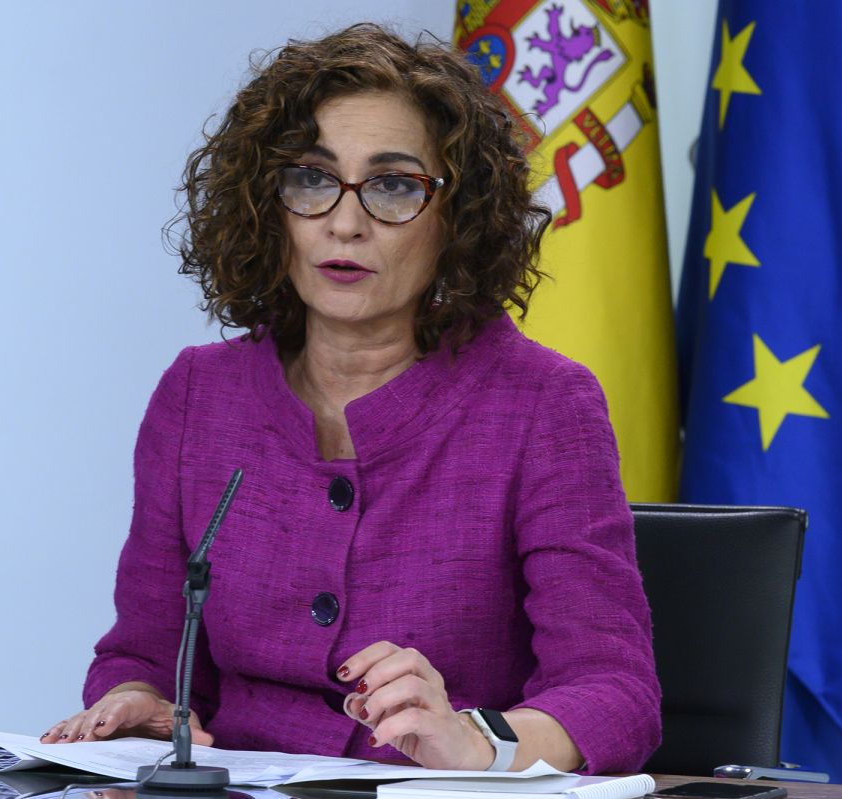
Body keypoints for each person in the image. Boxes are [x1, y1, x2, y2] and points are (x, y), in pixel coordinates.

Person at [41, 23, 660, 774]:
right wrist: (140, 702)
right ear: (267, 205)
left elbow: (615, 691)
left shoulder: (542, 404)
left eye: (393, 186)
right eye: (311, 179)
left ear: (458, 218)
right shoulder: (199, 395)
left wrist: (479, 741)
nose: (343, 222)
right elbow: (145, 651)